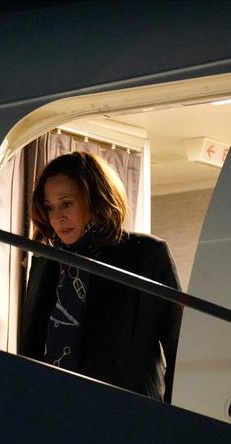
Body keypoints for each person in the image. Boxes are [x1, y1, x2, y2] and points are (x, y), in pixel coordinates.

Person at [18, 151, 182, 403]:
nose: (57, 217)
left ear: (94, 199)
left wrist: (173, 420)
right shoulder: (45, 262)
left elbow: (178, 346)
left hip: (126, 414)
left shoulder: (146, 254)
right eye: (50, 207)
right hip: (53, 407)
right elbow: (30, 348)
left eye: (67, 203)